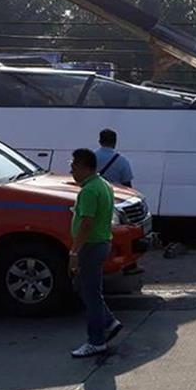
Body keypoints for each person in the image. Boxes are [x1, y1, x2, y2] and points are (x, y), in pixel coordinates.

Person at [68, 149, 123, 358]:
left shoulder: (89, 190)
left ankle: (96, 340)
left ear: (84, 167)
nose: (72, 171)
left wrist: (75, 251)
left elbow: (87, 223)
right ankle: (109, 321)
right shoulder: (103, 185)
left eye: (74, 167)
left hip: (90, 246)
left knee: (89, 294)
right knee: (88, 288)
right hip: (101, 243)